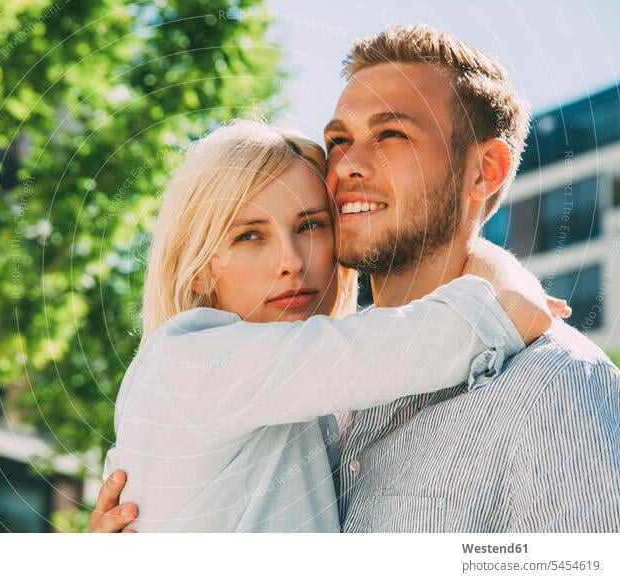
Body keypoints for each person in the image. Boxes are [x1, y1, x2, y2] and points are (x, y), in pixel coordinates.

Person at [95, 119, 561, 532]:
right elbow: (465, 329)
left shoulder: (291, 393)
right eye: (250, 235)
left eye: (310, 226)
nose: (291, 262)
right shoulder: (193, 363)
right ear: (198, 267)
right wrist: (501, 274)